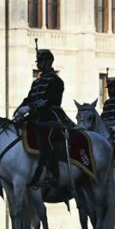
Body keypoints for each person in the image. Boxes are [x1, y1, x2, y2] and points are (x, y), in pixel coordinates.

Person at [13, 49, 72, 185]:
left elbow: (52, 100)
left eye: (41, 61)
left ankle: (53, 173)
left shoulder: (56, 80)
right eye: (38, 61)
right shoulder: (36, 82)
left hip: (51, 117)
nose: (38, 64)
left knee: (46, 139)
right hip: (36, 117)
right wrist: (20, 109)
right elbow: (29, 98)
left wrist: (31, 107)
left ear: (49, 62)